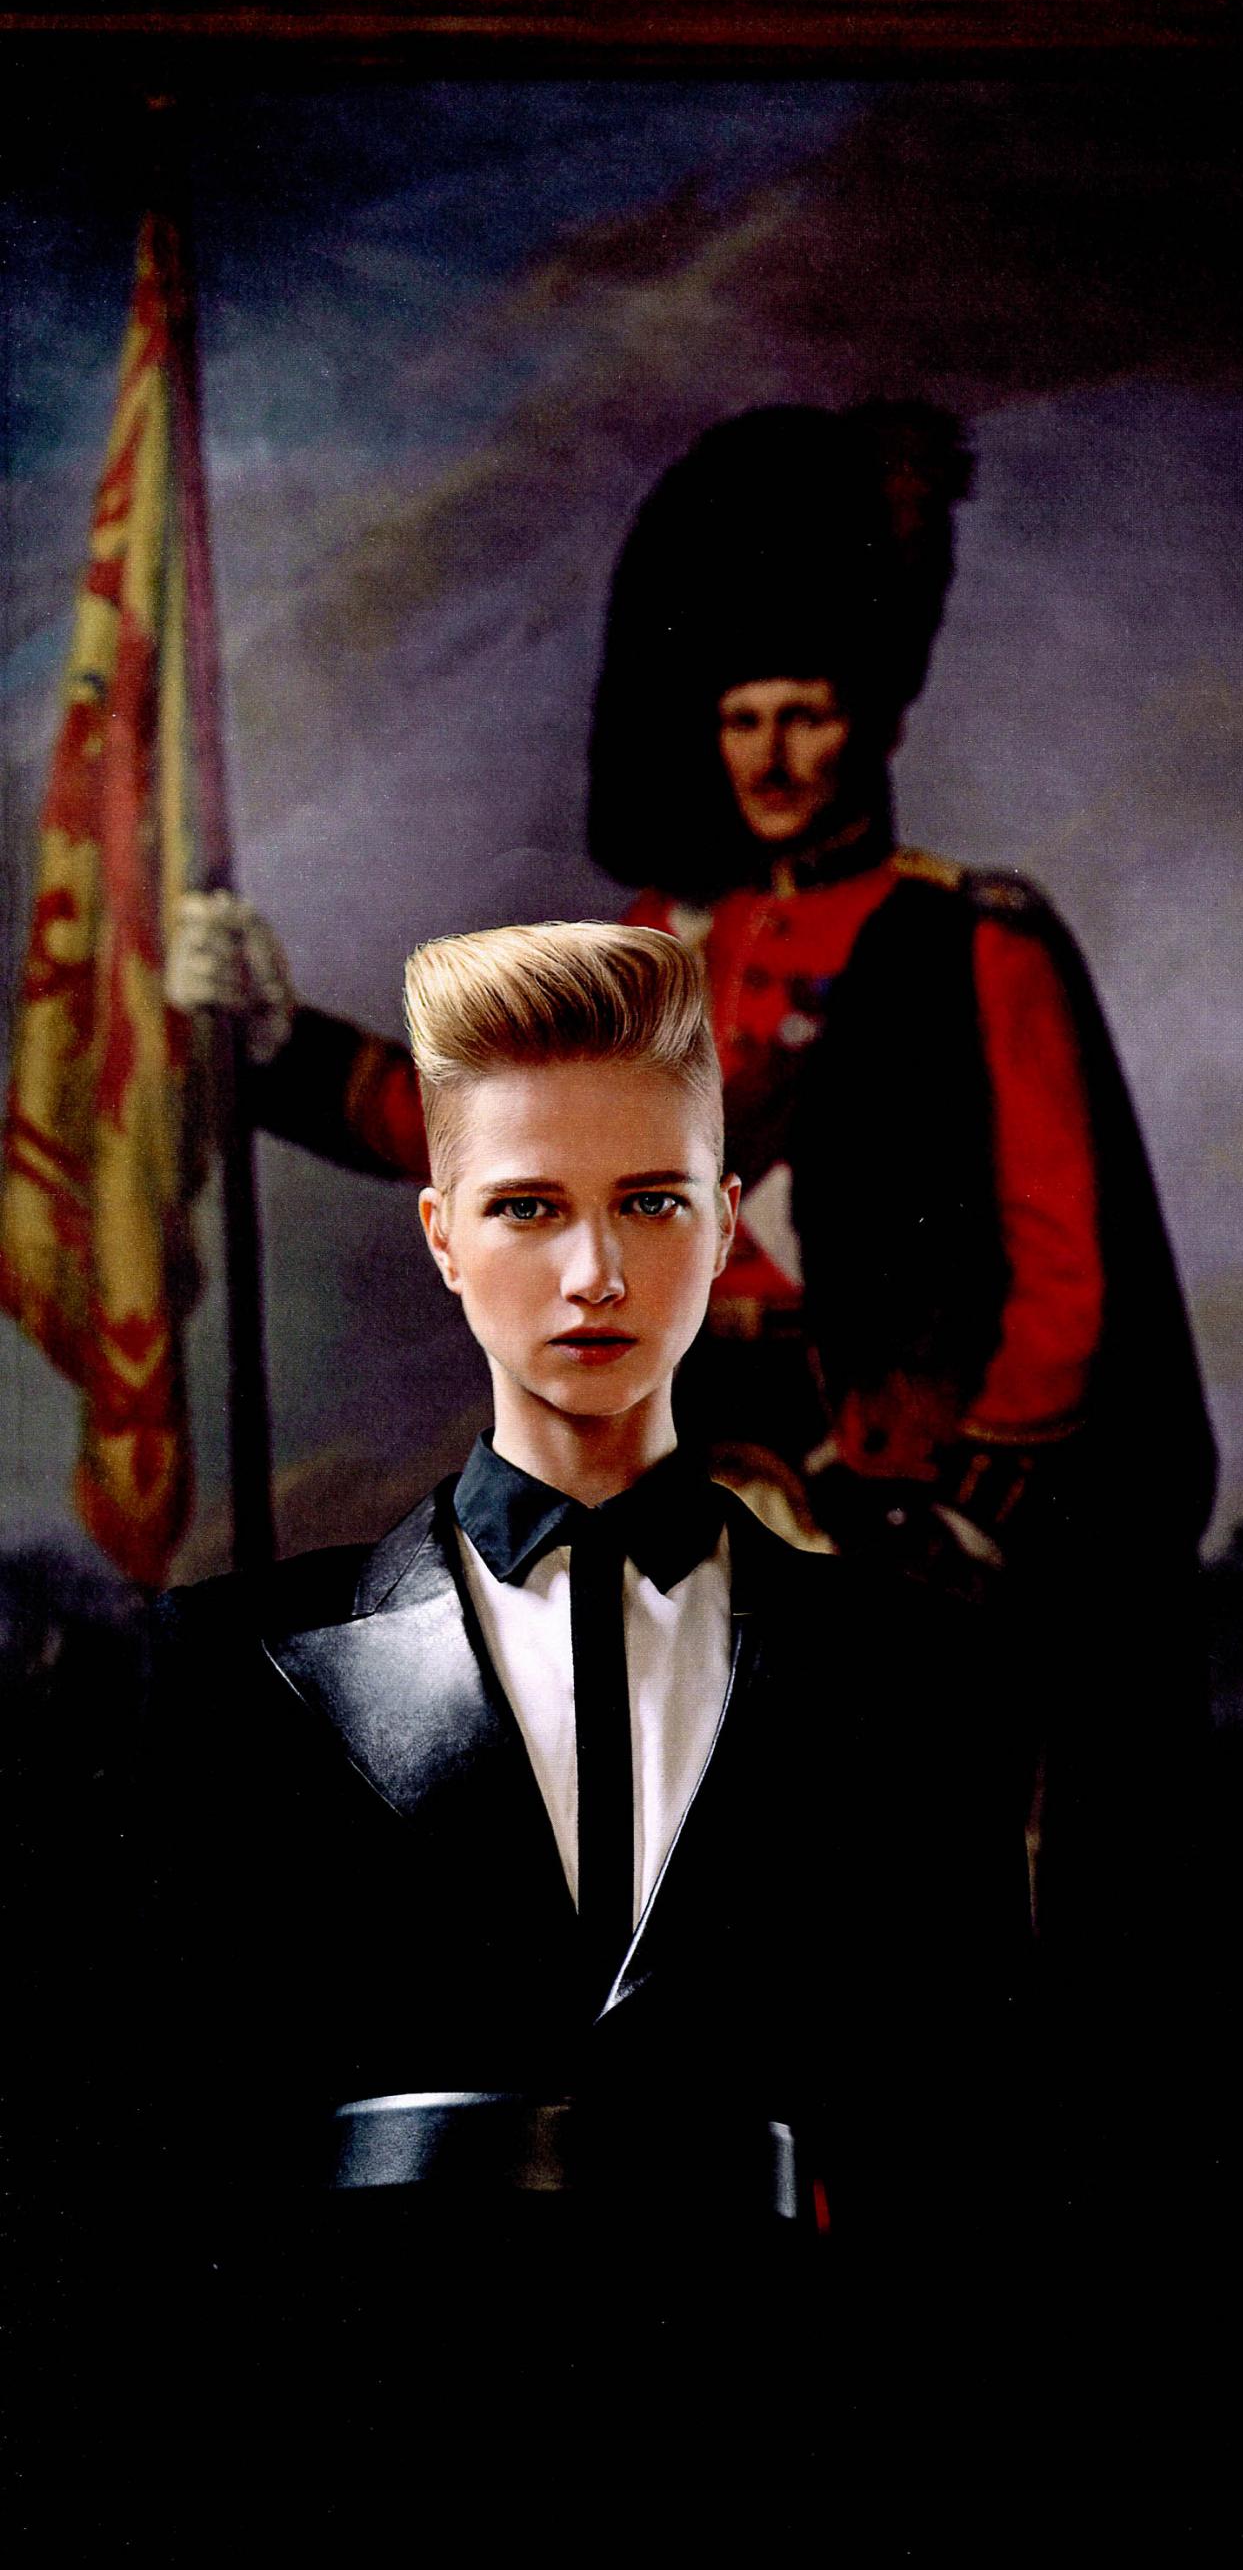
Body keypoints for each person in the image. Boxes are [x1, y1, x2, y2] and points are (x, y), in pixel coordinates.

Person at [168, 400, 1215, 1950]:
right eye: (743, 719)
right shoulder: (663, 941)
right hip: (667, 1453)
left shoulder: (974, 940)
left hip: (899, 1488)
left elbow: (1065, 1272)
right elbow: (492, 1126)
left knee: (903, 1897)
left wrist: (964, 1505)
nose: (773, 756)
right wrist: (274, 1041)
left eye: (807, 714)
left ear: (874, 724)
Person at [122, 922, 1033, 2556]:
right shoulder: (224, 1675)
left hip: (784, 2495)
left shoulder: (915, 1681)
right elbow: (148, 2212)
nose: (595, 1273)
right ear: (441, 1233)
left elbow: (980, 2214)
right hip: (361, 2497)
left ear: (727, 1223)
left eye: (651, 1204)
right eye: (529, 1206)